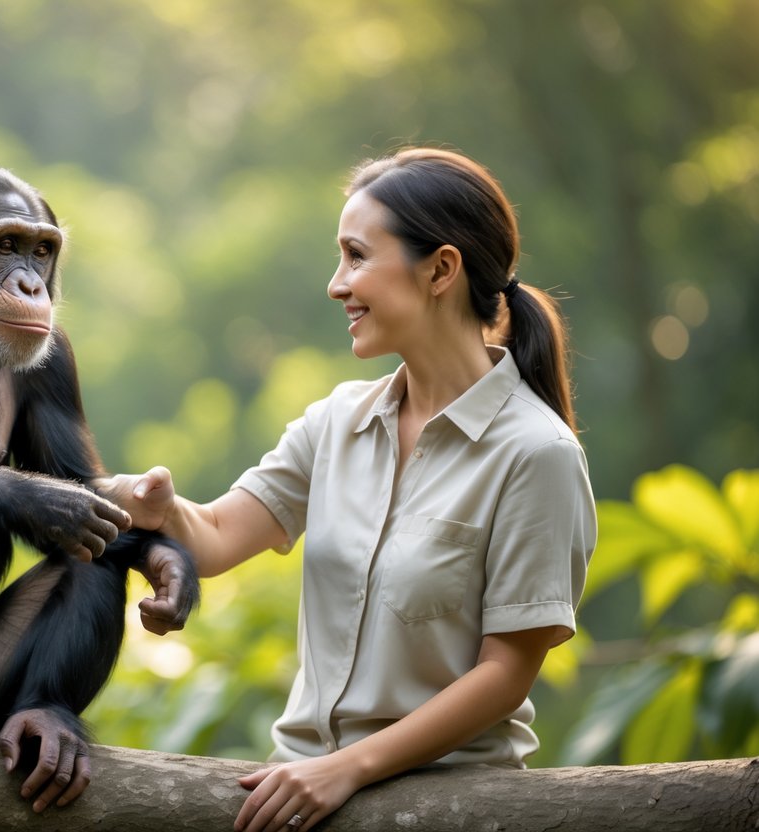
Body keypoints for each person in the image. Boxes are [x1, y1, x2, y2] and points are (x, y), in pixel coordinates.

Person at [99, 147, 596, 832]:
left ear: (440, 270)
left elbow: (504, 674)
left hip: (453, 809)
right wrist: (159, 509)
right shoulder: (334, 421)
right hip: (293, 798)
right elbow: (213, 537)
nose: (336, 284)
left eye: (356, 257)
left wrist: (348, 768)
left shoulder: (536, 454)